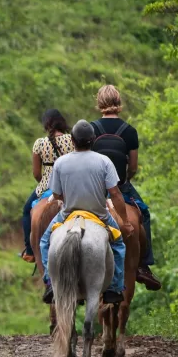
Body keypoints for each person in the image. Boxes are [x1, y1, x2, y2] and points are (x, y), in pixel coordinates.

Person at [39, 120, 134, 305]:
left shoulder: (60, 162)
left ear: (72, 141)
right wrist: (126, 222)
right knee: (119, 244)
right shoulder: (104, 161)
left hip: (68, 215)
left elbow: (57, 194)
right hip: (99, 215)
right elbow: (115, 194)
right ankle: (114, 287)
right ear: (93, 140)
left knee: (44, 242)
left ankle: (50, 282)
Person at [90, 85, 162, 291]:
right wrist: (124, 180)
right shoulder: (129, 131)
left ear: (100, 102)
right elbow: (133, 167)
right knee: (144, 213)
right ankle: (143, 266)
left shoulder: (91, 129)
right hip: (121, 187)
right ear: (119, 102)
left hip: (96, 189)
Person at [21, 109, 75, 263]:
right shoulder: (72, 140)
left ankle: (30, 251)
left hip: (47, 186)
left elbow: (37, 173)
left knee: (26, 211)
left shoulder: (40, 143)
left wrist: (45, 182)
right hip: (70, 186)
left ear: (46, 124)